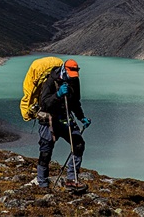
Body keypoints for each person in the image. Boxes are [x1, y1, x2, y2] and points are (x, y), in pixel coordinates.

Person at [28, 58, 91, 190]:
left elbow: (75, 102)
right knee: (46, 152)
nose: (72, 78)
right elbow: (44, 104)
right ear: (64, 70)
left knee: (78, 144)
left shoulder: (74, 81)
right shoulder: (51, 81)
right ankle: (42, 183)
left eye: (74, 76)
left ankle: (71, 180)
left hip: (65, 118)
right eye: (70, 75)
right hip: (49, 121)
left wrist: (81, 117)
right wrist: (58, 94)